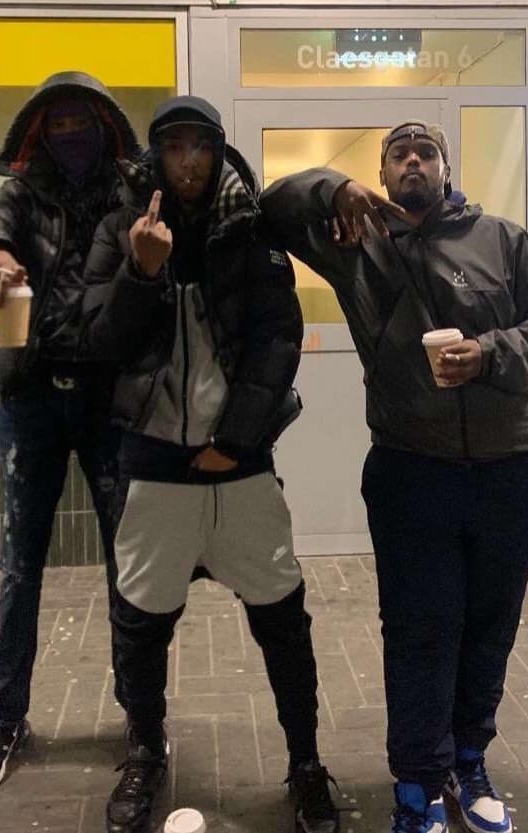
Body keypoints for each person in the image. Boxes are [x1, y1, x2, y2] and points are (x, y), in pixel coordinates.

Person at [260, 121, 528, 833]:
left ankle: (469, 759)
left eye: (425, 153)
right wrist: (331, 188)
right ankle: (418, 782)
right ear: (382, 172)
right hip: (412, 467)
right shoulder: (357, 242)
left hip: (514, 466)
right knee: (419, 628)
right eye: (398, 154)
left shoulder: (503, 242)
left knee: (489, 626)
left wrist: (490, 353)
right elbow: (272, 204)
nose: (413, 162)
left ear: (446, 168)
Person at [79, 95, 340, 833]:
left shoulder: (248, 226)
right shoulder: (121, 228)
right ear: (156, 155)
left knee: (282, 618)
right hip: (154, 468)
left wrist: (240, 438)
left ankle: (306, 762)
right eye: (174, 147)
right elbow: (98, 341)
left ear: (218, 151)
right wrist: (141, 271)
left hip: (241, 469)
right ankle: (144, 750)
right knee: (140, 623)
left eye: (201, 146)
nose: (189, 161)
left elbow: (278, 336)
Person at [0, 71, 139, 797]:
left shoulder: (130, 193)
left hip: (107, 401)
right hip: (31, 396)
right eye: (57, 124)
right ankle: (7, 718)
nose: (70, 135)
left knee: (129, 563)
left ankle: (142, 712)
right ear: (39, 133)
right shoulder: (23, 194)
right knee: (19, 566)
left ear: (104, 128)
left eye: (80, 122)